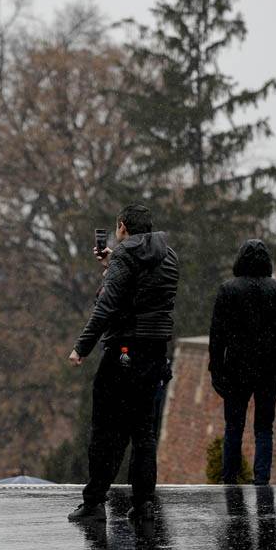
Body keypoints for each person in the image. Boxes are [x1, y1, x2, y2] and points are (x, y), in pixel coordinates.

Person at [67, 204, 179, 523]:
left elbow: (107, 307)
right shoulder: (169, 255)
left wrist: (81, 347)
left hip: (123, 350)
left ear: (122, 228)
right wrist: (111, 265)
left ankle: (94, 502)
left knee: (106, 430)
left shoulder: (124, 255)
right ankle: (143, 504)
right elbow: (145, 293)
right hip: (155, 351)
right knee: (143, 431)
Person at [208, 239, 276, 486]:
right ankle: (261, 480)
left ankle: (229, 479)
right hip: (270, 369)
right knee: (264, 427)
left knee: (233, 426)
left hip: (236, 368)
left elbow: (217, 336)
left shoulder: (228, 290)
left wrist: (216, 370)